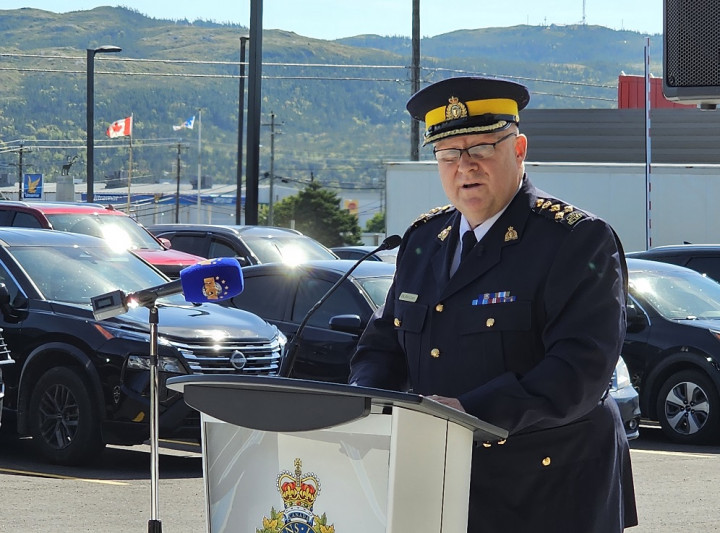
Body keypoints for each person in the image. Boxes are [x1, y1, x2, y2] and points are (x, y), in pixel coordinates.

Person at [349, 76, 638, 532]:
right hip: (442, 485)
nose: (465, 167)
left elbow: (581, 370)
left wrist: (468, 411)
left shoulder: (576, 239)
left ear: (519, 148)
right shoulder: (424, 240)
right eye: (448, 155)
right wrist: (366, 404)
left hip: (549, 493)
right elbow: (384, 342)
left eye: (481, 149)